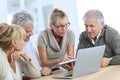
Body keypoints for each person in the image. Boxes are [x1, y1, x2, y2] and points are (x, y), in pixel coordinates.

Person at [12, 10, 51, 76]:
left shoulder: (30, 42)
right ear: (18, 31)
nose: (32, 34)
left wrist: (43, 70)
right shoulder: (13, 49)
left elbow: (38, 65)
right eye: (28, 31)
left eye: (32, 30)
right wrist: (38, 72)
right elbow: (17, 75)